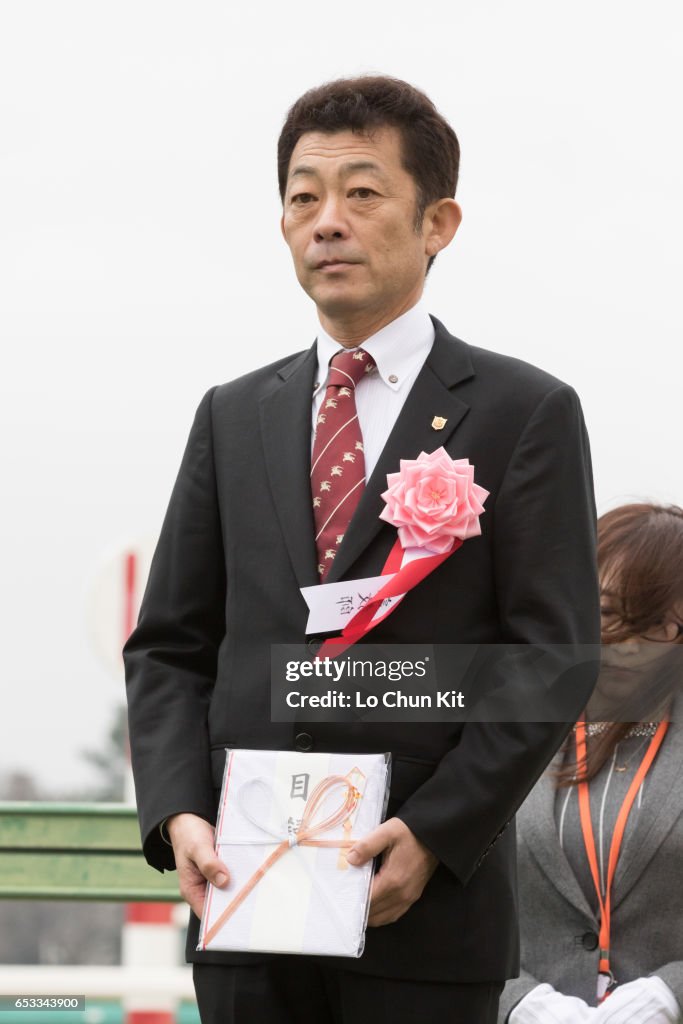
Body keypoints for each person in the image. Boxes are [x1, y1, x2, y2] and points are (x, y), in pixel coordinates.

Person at [124, 75, 600, 1024]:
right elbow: (171, 645)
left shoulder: (522, 412)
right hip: (244, 902)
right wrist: (178, 811)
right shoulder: (232, 414)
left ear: (438, 222)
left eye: (362, 192)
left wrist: (433, 831)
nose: (326, 221)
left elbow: (550, 657)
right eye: (303, 197)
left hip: (423, 911)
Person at [499, 503, 683, 1024]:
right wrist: (515, 999)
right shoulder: (505, 720)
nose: (627, 647)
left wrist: (672, 994)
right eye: (606, 614)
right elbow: (442, 899)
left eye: (658, 626)